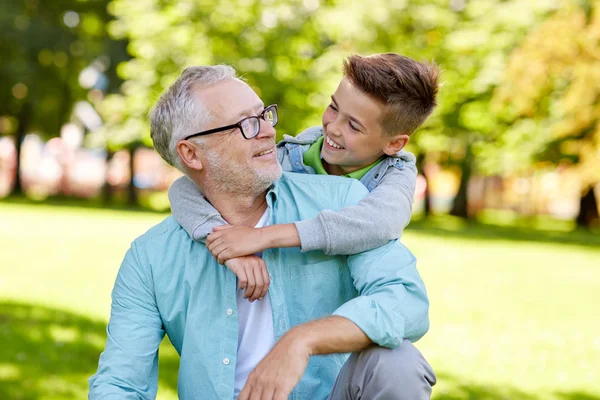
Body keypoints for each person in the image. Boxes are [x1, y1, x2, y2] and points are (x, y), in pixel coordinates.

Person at [89, 65, 435, 399]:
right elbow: (120, 384)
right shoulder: (151, 257)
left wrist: (302, 339)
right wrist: (219, 238)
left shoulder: (345, 200)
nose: (270, 131)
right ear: (191, 154)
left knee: (396, 362)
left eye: (263, 115)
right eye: (246, 125)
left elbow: (407, 303)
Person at [168, 53, 439, 301]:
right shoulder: (291, 157)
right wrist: (226, 246)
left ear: (394, 144)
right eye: (333, 107)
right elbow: (184, 189)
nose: (332, 128)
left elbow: (379, 223)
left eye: (353, 126)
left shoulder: (395, 174)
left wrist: (262, 237)